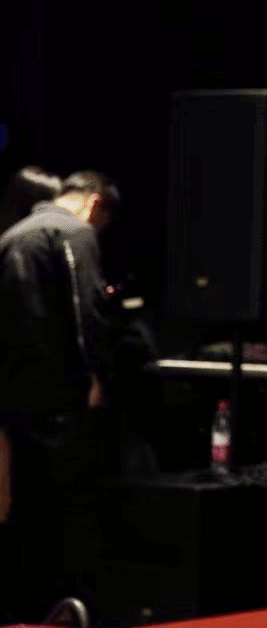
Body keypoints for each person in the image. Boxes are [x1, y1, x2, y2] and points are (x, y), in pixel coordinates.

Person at [0, 170, 121, 625]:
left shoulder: (11, 236)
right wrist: (98, 376)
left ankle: (29, 612)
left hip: (15, 401)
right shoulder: (73, 232)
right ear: (94, 204)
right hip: (61, 400)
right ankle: (77, 611)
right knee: (73, 517)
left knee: (27, 514)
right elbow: (85, 309)